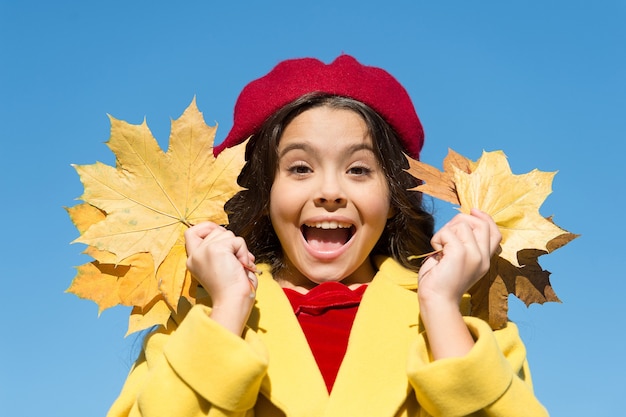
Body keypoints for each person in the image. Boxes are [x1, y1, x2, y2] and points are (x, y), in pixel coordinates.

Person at [106, 54, 549, 417]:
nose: (331, 192)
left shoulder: (469, 323)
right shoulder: (196, 321)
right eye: (300, 168)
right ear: (262, 191)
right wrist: (226, 312)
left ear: (394, 195)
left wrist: (440, 308)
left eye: (359, 169)